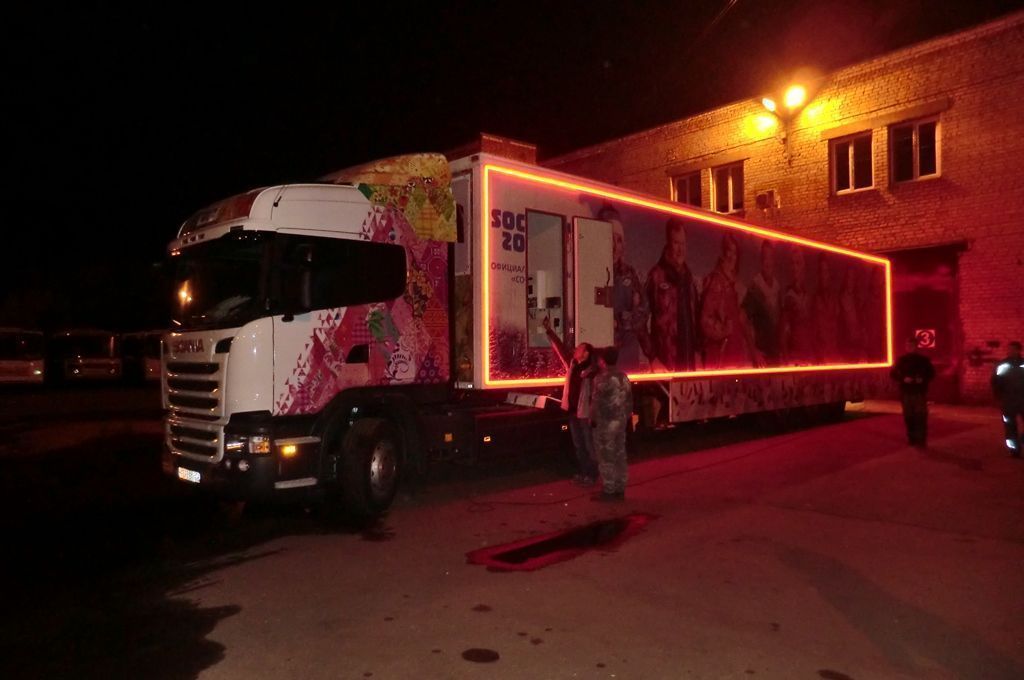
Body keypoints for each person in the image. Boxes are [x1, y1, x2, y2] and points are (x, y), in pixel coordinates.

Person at [543, 315, 599, 485]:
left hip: (585, 414)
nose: (576, 349)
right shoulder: (572, 365)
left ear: (586, 353)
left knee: (589, 446)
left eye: (579, 348)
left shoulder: (592, 371)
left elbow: (597, 394)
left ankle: (592, 475)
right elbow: (561, 348)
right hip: (573, 412)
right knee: (579, 446)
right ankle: (583, 473)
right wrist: (549, 331)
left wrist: (594, 414)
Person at [601, 206, 651, 371]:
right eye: (609, 239)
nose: (614, 247)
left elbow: (643, 311)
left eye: (619, 240)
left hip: (627, 355)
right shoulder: (592, 273)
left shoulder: (629, 274)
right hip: (601, 356)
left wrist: (622, 321)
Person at [646, 218, 699, 372]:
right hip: (665, 365)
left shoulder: (689, 279)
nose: (680, 249)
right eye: (676, 243)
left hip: (689, 365)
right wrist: (653, 357)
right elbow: (640, 320)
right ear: (668, 243)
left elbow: (696, 319)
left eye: (683, 243)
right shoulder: (656, 277)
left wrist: (698, 353)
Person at [700, 233, 758, 369]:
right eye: (729, 251)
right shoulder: (716, 282)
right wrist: (724, 330)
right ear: (723, 252)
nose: (732, 256)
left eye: (735, 253)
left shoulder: (734, 285)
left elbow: (739, 320)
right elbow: (705, 320)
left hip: (735, 356)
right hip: (721, 359)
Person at [589, 346, 633, 502]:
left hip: (605, 422)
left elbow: (596, 401)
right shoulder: (624, 377)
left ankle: (609, 489)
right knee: (620, 453)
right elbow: (629, 399)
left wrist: (592, 418)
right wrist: (627, 416)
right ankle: (620, 487)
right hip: (620, 420)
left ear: (603, 360)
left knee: (606, 455)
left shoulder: (601, 378)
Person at [742, 240, 783, 365]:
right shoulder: (755, 287)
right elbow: (742, 317)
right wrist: (753, 351)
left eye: (770, 257)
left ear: (774, 260)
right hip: (763, 358)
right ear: (761, 260)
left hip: (776, 356)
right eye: (765, 257)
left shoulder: (777, 287)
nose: (767, 261)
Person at [890, 337, 935, 448]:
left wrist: (922, 379)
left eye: (911, 345)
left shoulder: (923, 360)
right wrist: (903, 379)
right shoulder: (901, 360)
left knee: (921, 416)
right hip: (906, 391)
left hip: (919, 392)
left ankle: (921, 439)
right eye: (908, 345)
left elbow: (932, 373)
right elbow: (893, 374)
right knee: (909, 416)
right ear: (906, 347)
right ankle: (912, 438)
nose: (909, 347)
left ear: (916, 346)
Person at [991, 340, 1024, 458]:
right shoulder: (1002, 365)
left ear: (1019, 350)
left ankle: (1021, 440)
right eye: (1009, 349)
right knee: (1010, 426)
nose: (1010, 351)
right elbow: (995, 382)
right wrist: (999, 397)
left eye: (1013, 349)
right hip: (1008, 400)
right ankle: (1014, 450)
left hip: (1022, 399)